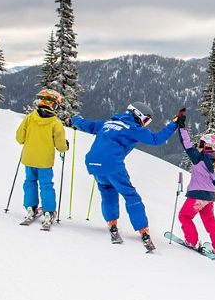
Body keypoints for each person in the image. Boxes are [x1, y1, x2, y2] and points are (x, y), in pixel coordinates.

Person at [69, 102, 181, 251]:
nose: (145, 124)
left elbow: (87, 124)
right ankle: (143, 230)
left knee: (107, 191)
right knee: (131, 196)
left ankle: (112, 224)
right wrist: (174, 124)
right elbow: (156, 139)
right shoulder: (132, 129)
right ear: (138, 115)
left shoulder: (108, 123)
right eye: (146, 120)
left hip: (92, 163)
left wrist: (73, 119)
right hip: (112, 164)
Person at [175, 113, 215, 258]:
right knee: (210, 221)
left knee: (184, 216)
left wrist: (181, 127)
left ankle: (192, 241)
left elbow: (187, 145)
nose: (199, 146)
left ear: (207, 146)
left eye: (202, 143)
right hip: (209, 197)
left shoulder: (199, 158)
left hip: (197, 195)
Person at [15, 89, 69, 228]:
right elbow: (61, 145)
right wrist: (65, 147)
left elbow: (19, 138)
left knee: (30, 182)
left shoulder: (29, 118)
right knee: (46, 185)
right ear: (54, 105)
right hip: (45, 161)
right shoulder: (55, 123)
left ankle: (30, 208)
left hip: (29, 158)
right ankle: (48, 212)